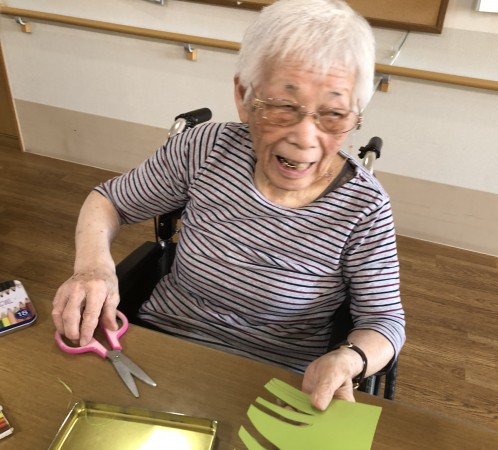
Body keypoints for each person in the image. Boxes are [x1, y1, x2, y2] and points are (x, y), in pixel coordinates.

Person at [52, 0, 405, 411]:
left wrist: (350, 358)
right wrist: (92, 267)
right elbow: (109, 200)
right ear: (243, 96)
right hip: (161, 346)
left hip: (275, 380)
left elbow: (384, 321)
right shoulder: (205, 149)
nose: (306, 137)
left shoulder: (364, 207)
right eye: (283, 106)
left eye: (334, 115)